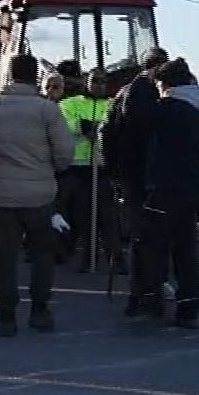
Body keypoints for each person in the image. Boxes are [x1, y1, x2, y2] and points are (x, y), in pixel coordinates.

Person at [0, 52, 75, 337]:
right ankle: (39, 310)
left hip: (1, 193)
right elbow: (64, 153)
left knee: (4, 256)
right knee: (41, 254)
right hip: (40, 192)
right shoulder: (47, 110)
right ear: (34, 76)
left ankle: (7, 315)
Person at [132, 58, 199, 327]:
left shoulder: (168, 109)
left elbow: (137, 114)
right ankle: (188, 305)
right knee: (186, 249)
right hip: (191, 189)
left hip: (165, 188)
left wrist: (142, 80)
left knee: (153, 247)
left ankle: (151, 301)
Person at [101, 46, 168, 279]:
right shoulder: (138, 93)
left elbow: (107, 131)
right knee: (143, 230)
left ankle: (147, 283)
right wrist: (114, 168)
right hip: (139, 168)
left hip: (137, 168)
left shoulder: (133, 91)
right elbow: (111, 131)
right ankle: (144, 285)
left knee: (145, 229)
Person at [56, 62, 110, 270]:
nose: (98, 85)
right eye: (94, 81)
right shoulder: (70, 103)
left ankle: (106, 257)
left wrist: (92, 125)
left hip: (100, 164)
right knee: (77, 214)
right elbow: (69, 125)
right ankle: (68, 251)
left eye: (102, 81)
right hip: (76, 164)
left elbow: (111, 125)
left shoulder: (112, 104)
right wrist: (90, 126)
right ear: (86, 82)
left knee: (104, 215)